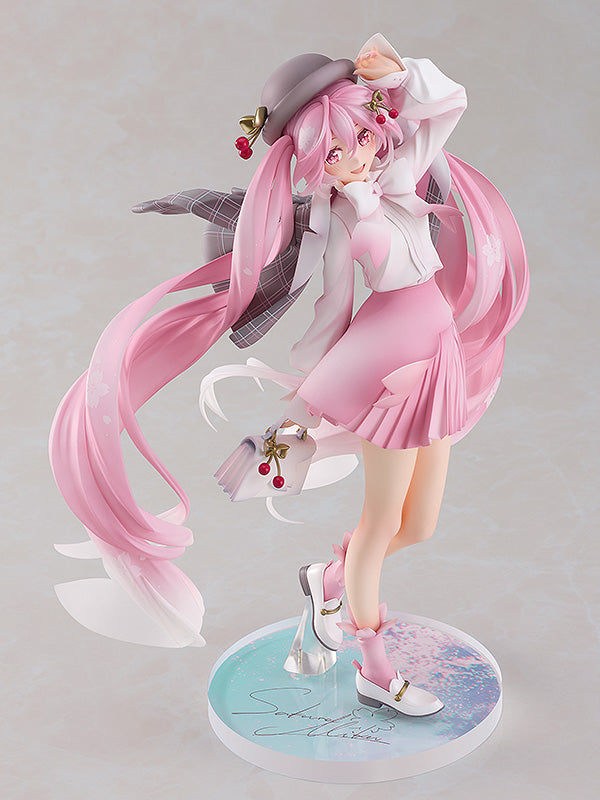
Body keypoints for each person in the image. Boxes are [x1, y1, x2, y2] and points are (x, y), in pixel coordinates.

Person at [50, 34, 528, 715]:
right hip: (390, 371)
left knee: (419, 524)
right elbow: (334, 307)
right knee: (378, 525)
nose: (352, 157)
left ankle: (324, 582)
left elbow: (449, 101)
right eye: (331, 153)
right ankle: (374, 670)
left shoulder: (404, 171)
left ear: (376, 127)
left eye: (360, 137)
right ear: (312, 164)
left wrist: (397, 72)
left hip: (436, 356)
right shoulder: (337, 219)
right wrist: (315, 396)